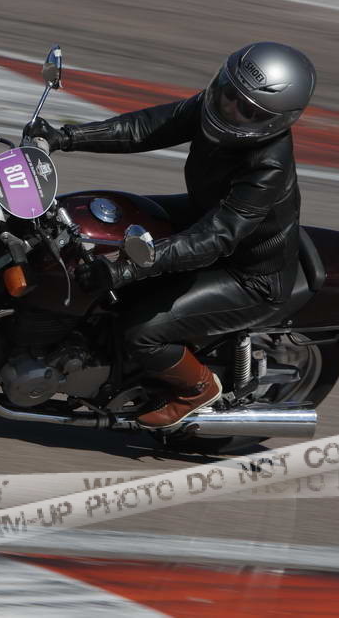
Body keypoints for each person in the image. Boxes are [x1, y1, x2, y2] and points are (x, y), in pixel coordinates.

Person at [25, 41, 316, 429]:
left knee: (140, 331)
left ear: (272, 121)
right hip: (204, 215)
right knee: (94, 220)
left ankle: (198, 389)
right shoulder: (214, 108)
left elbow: (216, 239)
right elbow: (147, 127)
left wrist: (127, 269)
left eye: (247, 110)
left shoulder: (268, 167)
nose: (230, 108)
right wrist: (65, 137)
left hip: (248, 274)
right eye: (228, 93)